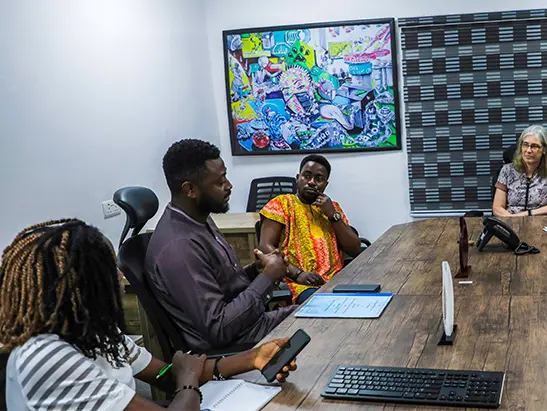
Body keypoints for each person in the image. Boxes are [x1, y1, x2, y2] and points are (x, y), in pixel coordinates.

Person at [1, 219, 297, 410]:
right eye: (106, 273)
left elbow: (166, 376)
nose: (118, 276)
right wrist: (189, 380)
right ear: (79, 287)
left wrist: (254, 357)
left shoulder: (94, 333)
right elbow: (182, 379)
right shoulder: (47, 357)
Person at [145, 139, 297, 351]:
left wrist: (256, 271)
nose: (229, 186)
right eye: (219, 182)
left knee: (319, 310)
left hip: (251, 325)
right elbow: (218, 329)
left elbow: (224, 287)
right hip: (237, 348)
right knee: (322, 326)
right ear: (189, 189)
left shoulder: (200, 218)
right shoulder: (179, 248)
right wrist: (268, 278)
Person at [258, 155, 362, 303]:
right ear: (297, 178)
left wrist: (332, 214)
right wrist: (297, 274)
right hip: (298, 284)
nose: (312, 182)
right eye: (307, 176)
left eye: (318, 179)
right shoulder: (281, 204)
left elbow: (355, 249)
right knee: (326, 305)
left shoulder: (332, 208)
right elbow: (265, 247)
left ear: (325, 185)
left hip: (337, 281)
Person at [493, 125, 547, 216]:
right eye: (525, 145)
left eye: (534, 146)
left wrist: (527, 214)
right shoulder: (507, 170)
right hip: (511, 223)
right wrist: (512, 219)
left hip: (542, 221)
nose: (528, 150)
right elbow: (497, 208)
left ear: (544, 150)